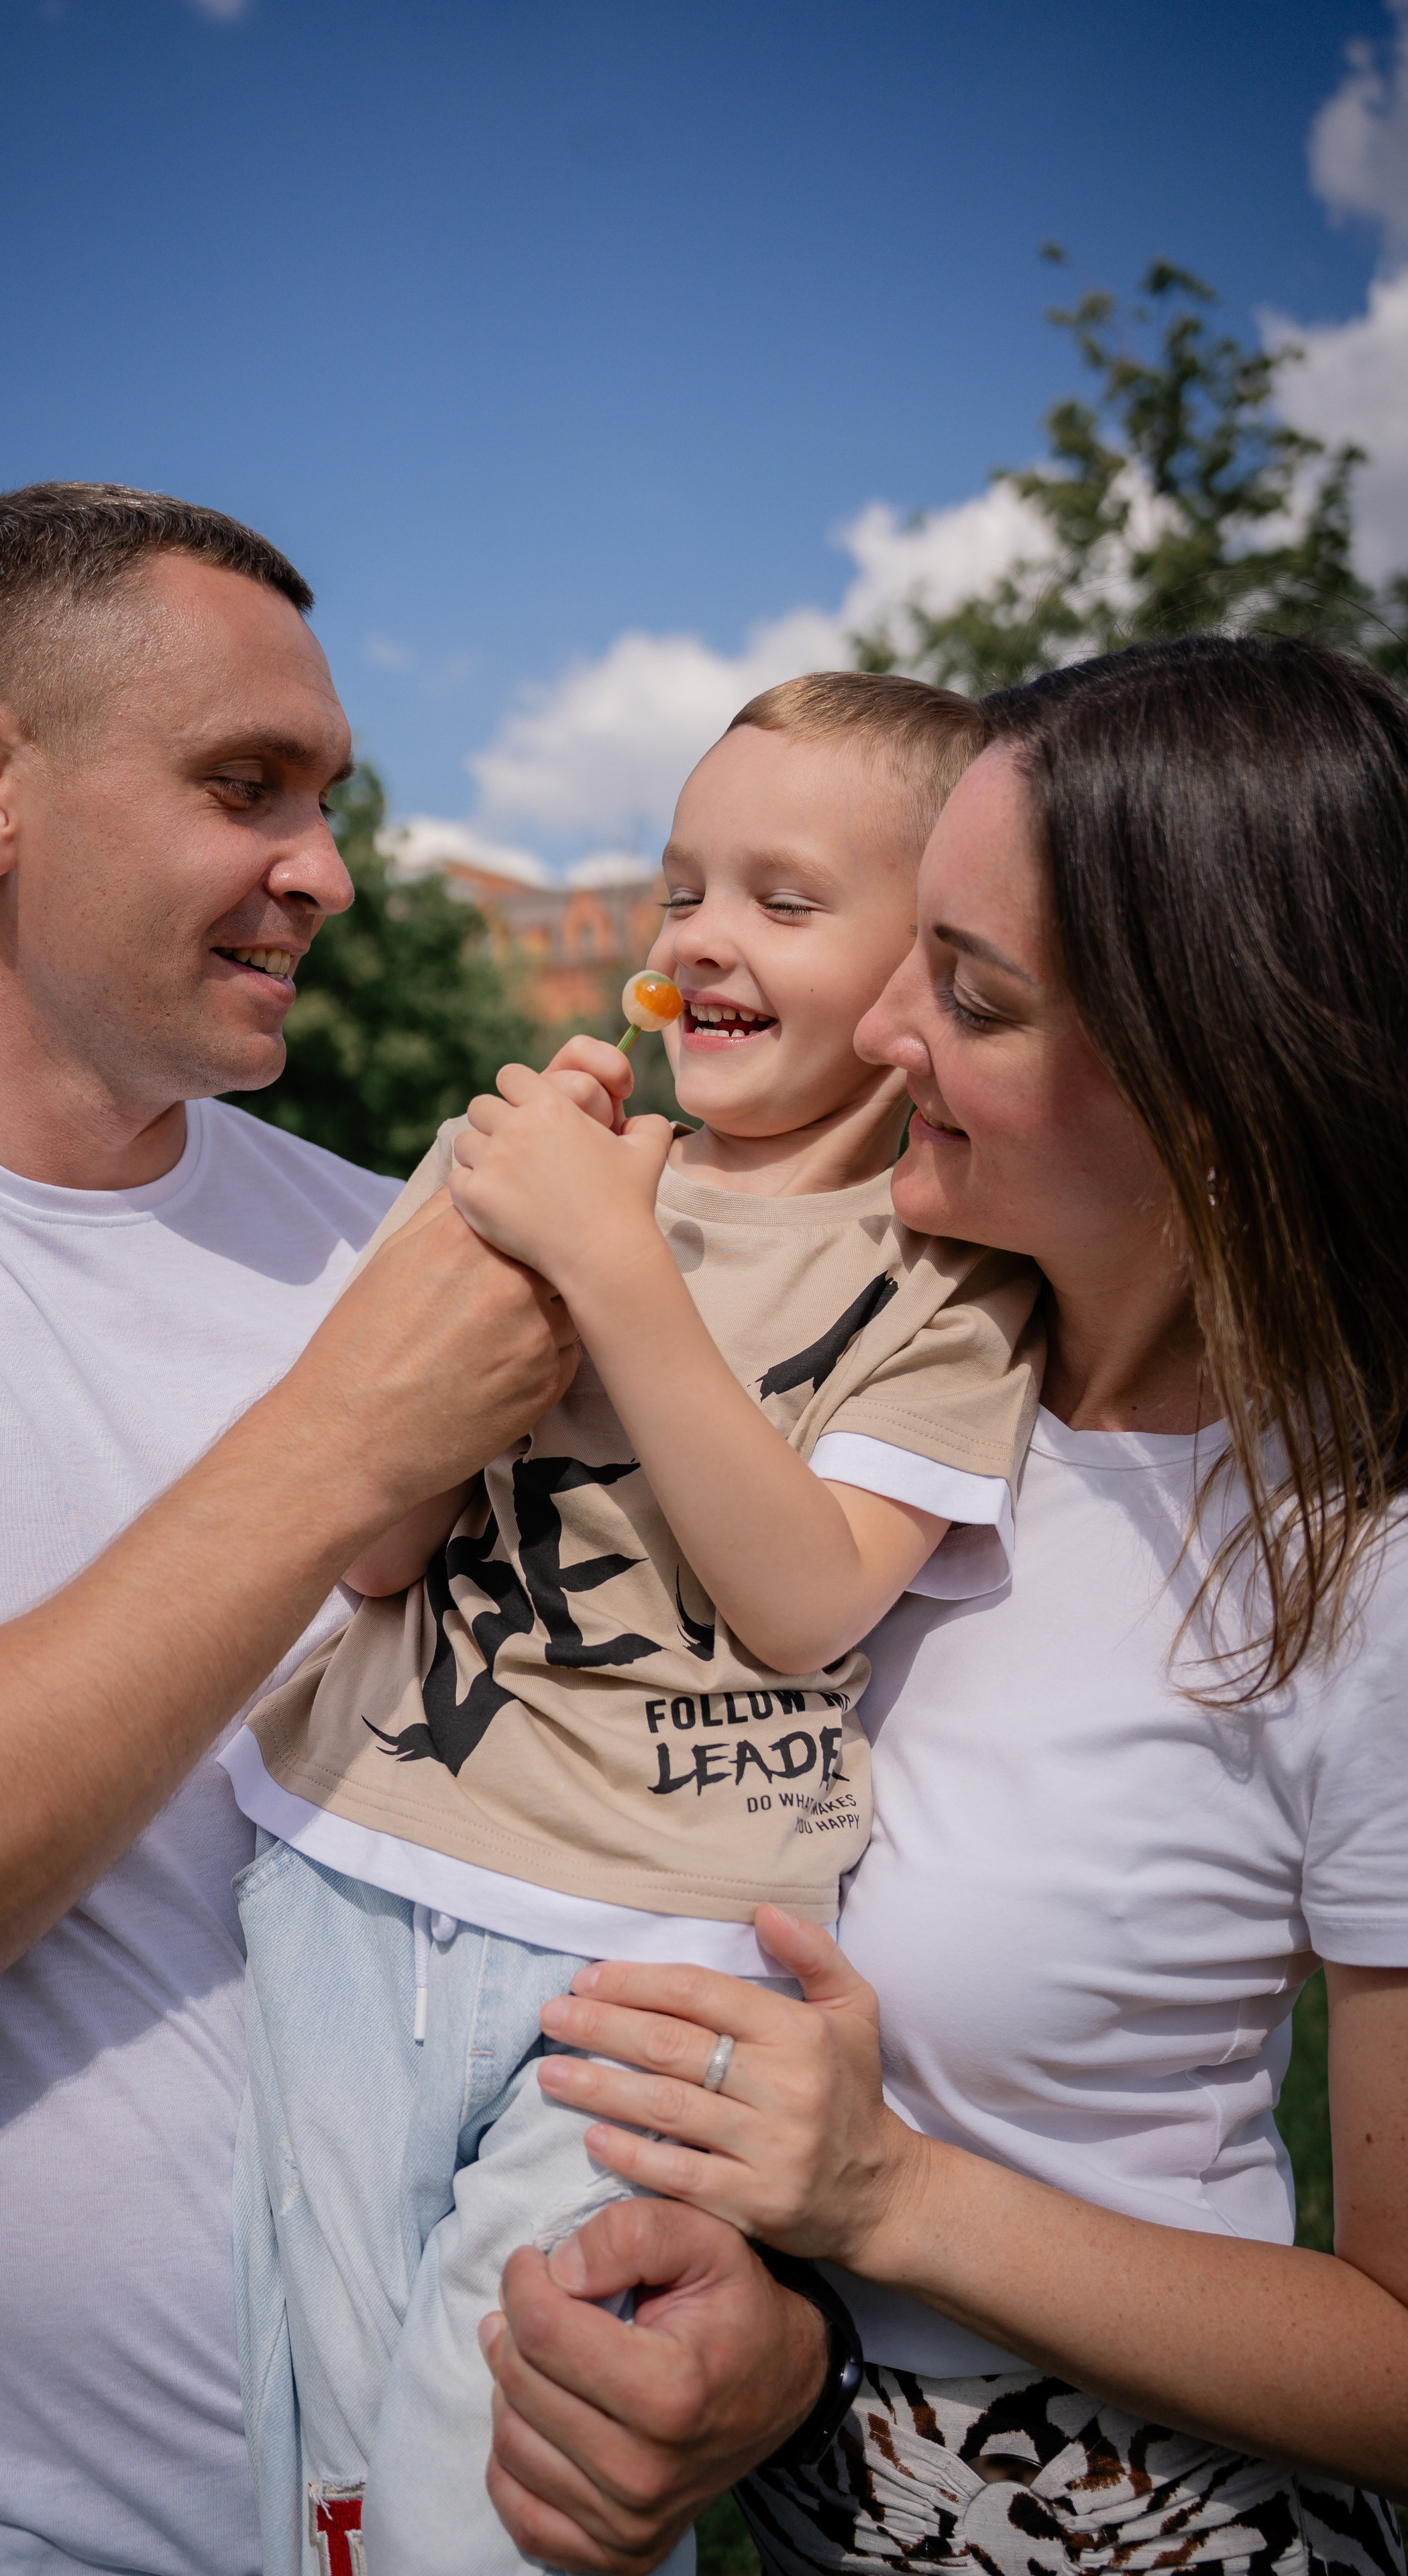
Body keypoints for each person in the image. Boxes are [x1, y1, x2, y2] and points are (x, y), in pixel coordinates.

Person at [0, 482, 833, 2576]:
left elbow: (715, 1789)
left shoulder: (415, 1242)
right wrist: (338, 1445)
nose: (326, 870)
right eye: (248, 789)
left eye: (333, 797)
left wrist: (785, 2324)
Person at [478, 635, 1408, 2576]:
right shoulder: (841, 1398)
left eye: (969, 992)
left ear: (1211, 1095)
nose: (883, 1022)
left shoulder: (1361, 1566)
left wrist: (892, 2203)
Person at [223, 675, 1042, 2571]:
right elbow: (368, 1547)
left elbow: (811, 1602)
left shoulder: (953, 1277)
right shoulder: (522, 1168)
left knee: (509, 2450)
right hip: (354, 1878)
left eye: (783, 898)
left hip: (667, 1969)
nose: (701, 940)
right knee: (332, 2453)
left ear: (923, 970)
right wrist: (502, 1245)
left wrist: (615, 1269)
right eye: (684, 889)